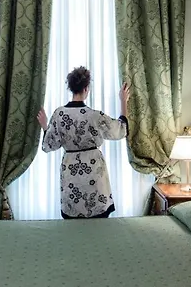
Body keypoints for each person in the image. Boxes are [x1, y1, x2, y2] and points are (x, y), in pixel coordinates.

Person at [37, 66, 130, 219]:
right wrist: (123, 101)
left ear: (71, 88)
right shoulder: (95, 116)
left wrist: (45, 126)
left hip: (70, 172)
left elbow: (49, 145)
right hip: (95, 172)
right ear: (86, 89)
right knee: (98, 223)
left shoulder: (59, 114)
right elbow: (120, 129)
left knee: (73, 223)